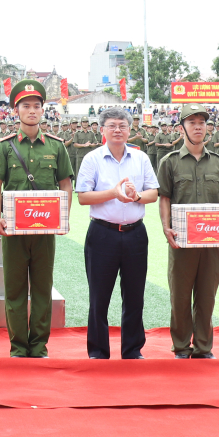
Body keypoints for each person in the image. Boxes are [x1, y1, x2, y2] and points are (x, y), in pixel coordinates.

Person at [0, 80, 73, 358]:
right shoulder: (5, 147)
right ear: (16, 110)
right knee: (15, 289)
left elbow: (66, 184)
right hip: (13, 230)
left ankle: (39, 345)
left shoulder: (57, 147)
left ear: (43, 109)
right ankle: (18, 346)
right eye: (26, 106)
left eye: (36, 106)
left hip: (45, 230)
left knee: (43, 288)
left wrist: (64, 218)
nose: (32, 111)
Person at [75, 106, 159, 360]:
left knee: (134, 295)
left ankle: (132, 350)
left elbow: (153, 193)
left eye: (122, 125)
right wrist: (113, 193)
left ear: (130, 130)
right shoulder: (92, 159)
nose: (118, 130)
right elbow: (83, 197)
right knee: (99, 296)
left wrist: (137, 196)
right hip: (103, 234)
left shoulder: (141, 158)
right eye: (112, 125)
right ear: (102, 130)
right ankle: (98, 351)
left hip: (135, 234)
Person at [157, 103, 219, 359]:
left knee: (206, 296)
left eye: (202, 122)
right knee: (180, 296)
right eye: (192, 122)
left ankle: (203, 347)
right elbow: (165, 198)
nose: (198, 126)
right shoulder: (169, 162)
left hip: (212, 241)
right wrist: (166, 228)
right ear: (182, 128)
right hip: (181, 241)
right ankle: (181, 346)